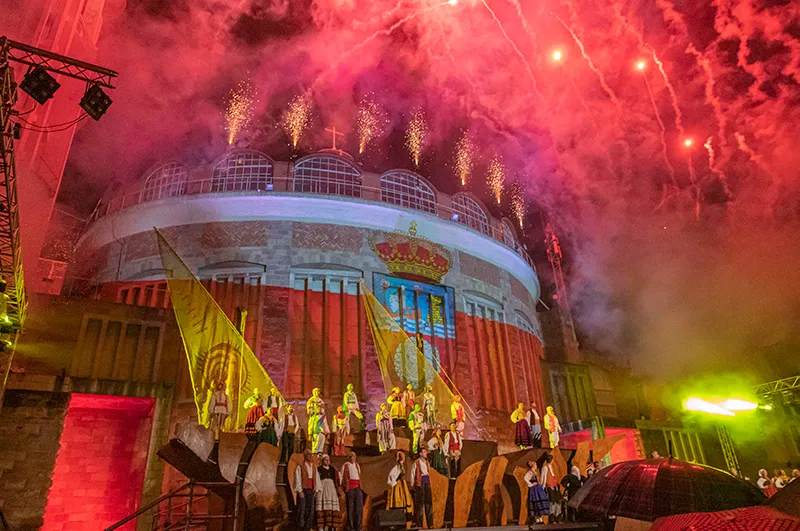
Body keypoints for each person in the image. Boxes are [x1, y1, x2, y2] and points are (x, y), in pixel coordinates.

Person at [294, 450, 321, 531]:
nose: (310, 456)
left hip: (311, 490)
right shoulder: (300, 466)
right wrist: (300, 490)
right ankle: (300, 527)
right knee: (302, 509)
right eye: (308, 455)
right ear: (305, 456)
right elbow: (298, 478)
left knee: (310, 510)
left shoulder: (313, 467)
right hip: (303, 490)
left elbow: (316, 478)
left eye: (311, 455)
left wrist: (316, 489)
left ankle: (307, 527)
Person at [316, 454, 340, 531]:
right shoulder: (319, 469)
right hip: (322, 488)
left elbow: (337, 478)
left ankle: (330, 526)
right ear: (322, 461)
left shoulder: (332, 469)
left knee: (331, 507)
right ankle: (321, 527)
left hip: (331, 489)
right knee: (322, 506)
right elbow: (317, 479)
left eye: (328, 460)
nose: (327, 461)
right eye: (326, 460)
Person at [411, 448, 434, 529]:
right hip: (420, 483)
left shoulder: (427, 462)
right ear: (420, 453)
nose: (426, 453)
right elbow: (413, 474)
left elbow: (429, 472)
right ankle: (419, 523)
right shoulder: (416, 462)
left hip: (427, 481)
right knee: (420, 503)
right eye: (424, 452)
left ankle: (430, 523)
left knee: (428, 502)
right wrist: (413, 484)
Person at [387, 451, 413, 517]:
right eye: (403, 457)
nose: (404, 458)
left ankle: (404, 514)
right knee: (398, 498)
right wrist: (394, 483)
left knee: (403, 498)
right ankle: (398, 514)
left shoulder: (401, 465)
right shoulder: (397, 467)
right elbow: (391, 475)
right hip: (398, 485)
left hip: (402, 484)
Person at [341, 452, 363, 531]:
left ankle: (359, 526)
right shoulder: (346, 465)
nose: (353, 458)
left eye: (354, 457)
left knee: (359, 508)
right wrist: (344, 487)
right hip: (350, 488)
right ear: (349, 458)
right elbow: (342, 477)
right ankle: (350, 527)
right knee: (350, 508)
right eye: (352, 457)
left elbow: (359, 476)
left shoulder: (357, 465)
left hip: (357, 488)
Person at [540, 454, 561, 522]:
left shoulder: (551, 467)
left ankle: (557, 516)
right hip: (549, 486)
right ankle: (552, 518)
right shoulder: (545, 467)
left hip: (554, 486)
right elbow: (543, 478)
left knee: (557, 501)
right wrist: (542, 487)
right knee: (551, 502)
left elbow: (553, 476)